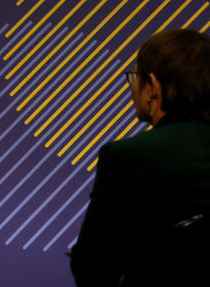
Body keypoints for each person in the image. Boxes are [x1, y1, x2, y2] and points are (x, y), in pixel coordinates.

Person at [69, 28, 210, 286]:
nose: (133, 87)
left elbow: (91, 265)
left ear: (153, 87)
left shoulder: (126, 155)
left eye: (136, 77)